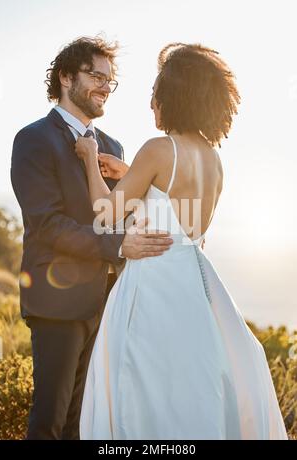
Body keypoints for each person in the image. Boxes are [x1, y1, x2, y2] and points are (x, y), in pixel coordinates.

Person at [78, 43, 288, 440]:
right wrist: (130, 172)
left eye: (155, 97)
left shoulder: (158, 150)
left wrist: (90, 156)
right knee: (187, 393)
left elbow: (105, 213)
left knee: (142, 392)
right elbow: (182, 213)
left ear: (173, 98)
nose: (151, 107)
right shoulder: (214, 159)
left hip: (152, 286)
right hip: (195, 285)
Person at [10, 36, 173, 440]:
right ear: (66, 77)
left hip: (107, 306)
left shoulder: (114, 147)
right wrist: (118, 246)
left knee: (83, 425)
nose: (105, 86)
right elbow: (47, 225)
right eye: (96, 76)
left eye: (110, 80)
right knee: (49, 421)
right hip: (57, 303)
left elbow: (128, 214)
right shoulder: (33, 140)